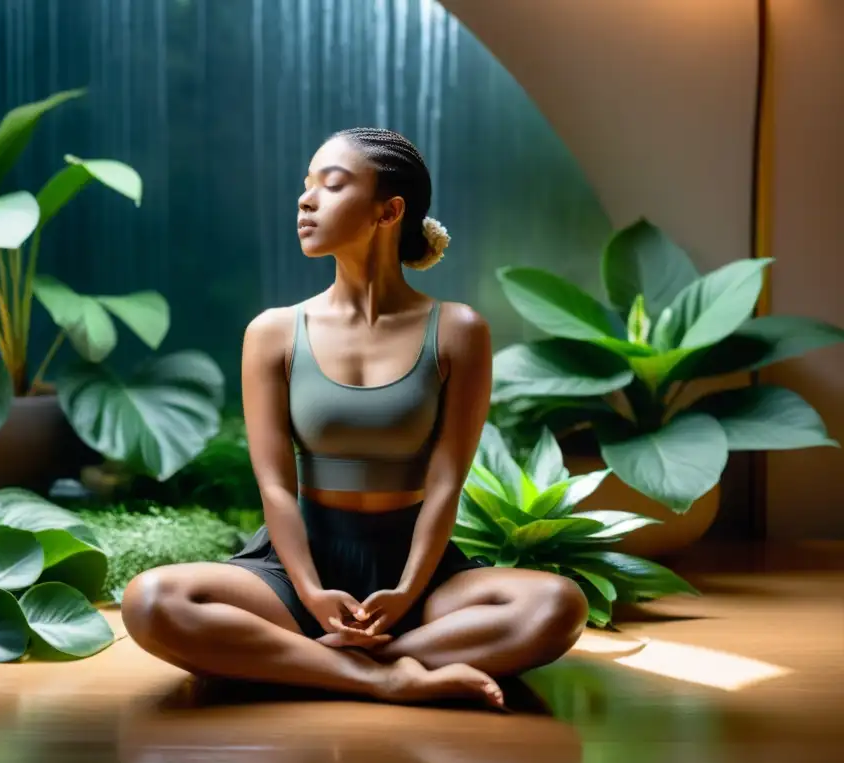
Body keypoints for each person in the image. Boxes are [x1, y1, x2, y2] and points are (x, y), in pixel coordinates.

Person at [122, 128, 588, 709]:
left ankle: (301, 661)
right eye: (306, 185)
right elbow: (274, 485)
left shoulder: (459, 330)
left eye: (332, 185)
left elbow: (446, 480)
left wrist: (410, 587)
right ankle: (386, 677)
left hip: (419, 573)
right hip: (296, 572)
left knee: (557, 605)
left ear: (389, 211)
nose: (306, 200)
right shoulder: (273, 333)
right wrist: (313, 593)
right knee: (150, 600)